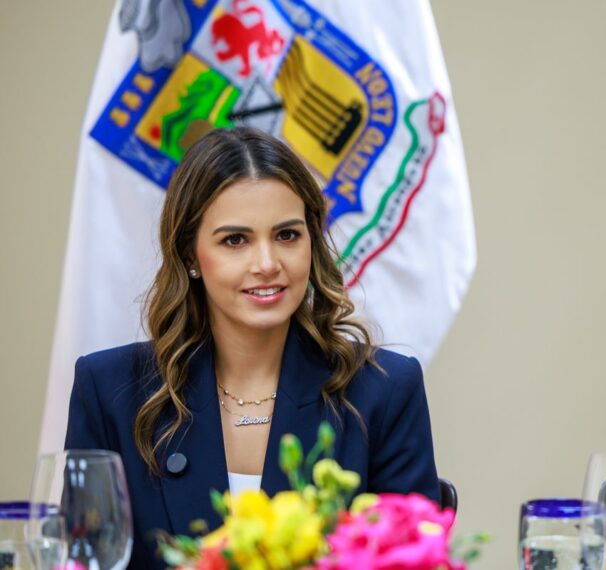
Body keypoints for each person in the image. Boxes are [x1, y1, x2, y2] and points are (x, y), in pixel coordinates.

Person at [64, 127, 440, 569]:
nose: (266, 264)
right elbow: (83, 558)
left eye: (286, 235)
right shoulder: (109, 390)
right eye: (235, 240)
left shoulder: (385, 389)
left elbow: (413, 559)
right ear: (190, 254)